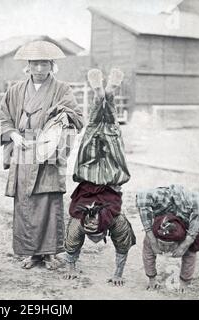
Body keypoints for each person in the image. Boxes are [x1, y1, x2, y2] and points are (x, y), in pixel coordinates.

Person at [0, 40, 84, 269]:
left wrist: (62, 117)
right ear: (28, 66)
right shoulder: (15, 91)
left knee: (49, 201)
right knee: (25, 202)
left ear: (52, 65)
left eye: (44, 64)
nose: (40, 69)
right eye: (35, 64)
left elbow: (78, 118)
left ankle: (50, 252)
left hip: (49, 151)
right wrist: (12, 134)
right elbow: (4, 118)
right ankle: (30, 253)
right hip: (22, 150)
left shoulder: (62, 90)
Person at [63, 68, 135, 285]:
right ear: (103, 230)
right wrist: (117, 274)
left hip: (106, 174)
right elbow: (122, 246)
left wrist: (71, 267)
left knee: (111, 130)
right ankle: (103, 95)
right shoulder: (111, 221)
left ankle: (106, 94)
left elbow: (71, 246)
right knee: (95, 128)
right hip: (93, 174)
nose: (93, 234)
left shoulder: (100, 222)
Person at [136, 184, 199, 293]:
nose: (166, 249)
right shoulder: (151, 237)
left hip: (185, 210)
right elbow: (148, 256)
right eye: (163, 244)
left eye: (169, 245)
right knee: (143, 197)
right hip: (164, 205)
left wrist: (184, 281)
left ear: (179, 241)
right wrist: (152, 279)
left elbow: (190, 257)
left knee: (193, 245)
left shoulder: (185, 238)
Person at [63, 182, 135, 285]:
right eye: (91, 235)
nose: (95, 240)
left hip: (109, 199)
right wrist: (71, 268)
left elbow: (123, 247)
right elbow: (70, 245)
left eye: (98, 236)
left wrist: (118, 275)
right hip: (84, 199)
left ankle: (106, 186)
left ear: (105, 231)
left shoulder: (118, 221)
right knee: (73, 236)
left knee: (122, 238)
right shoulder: (77, 222)